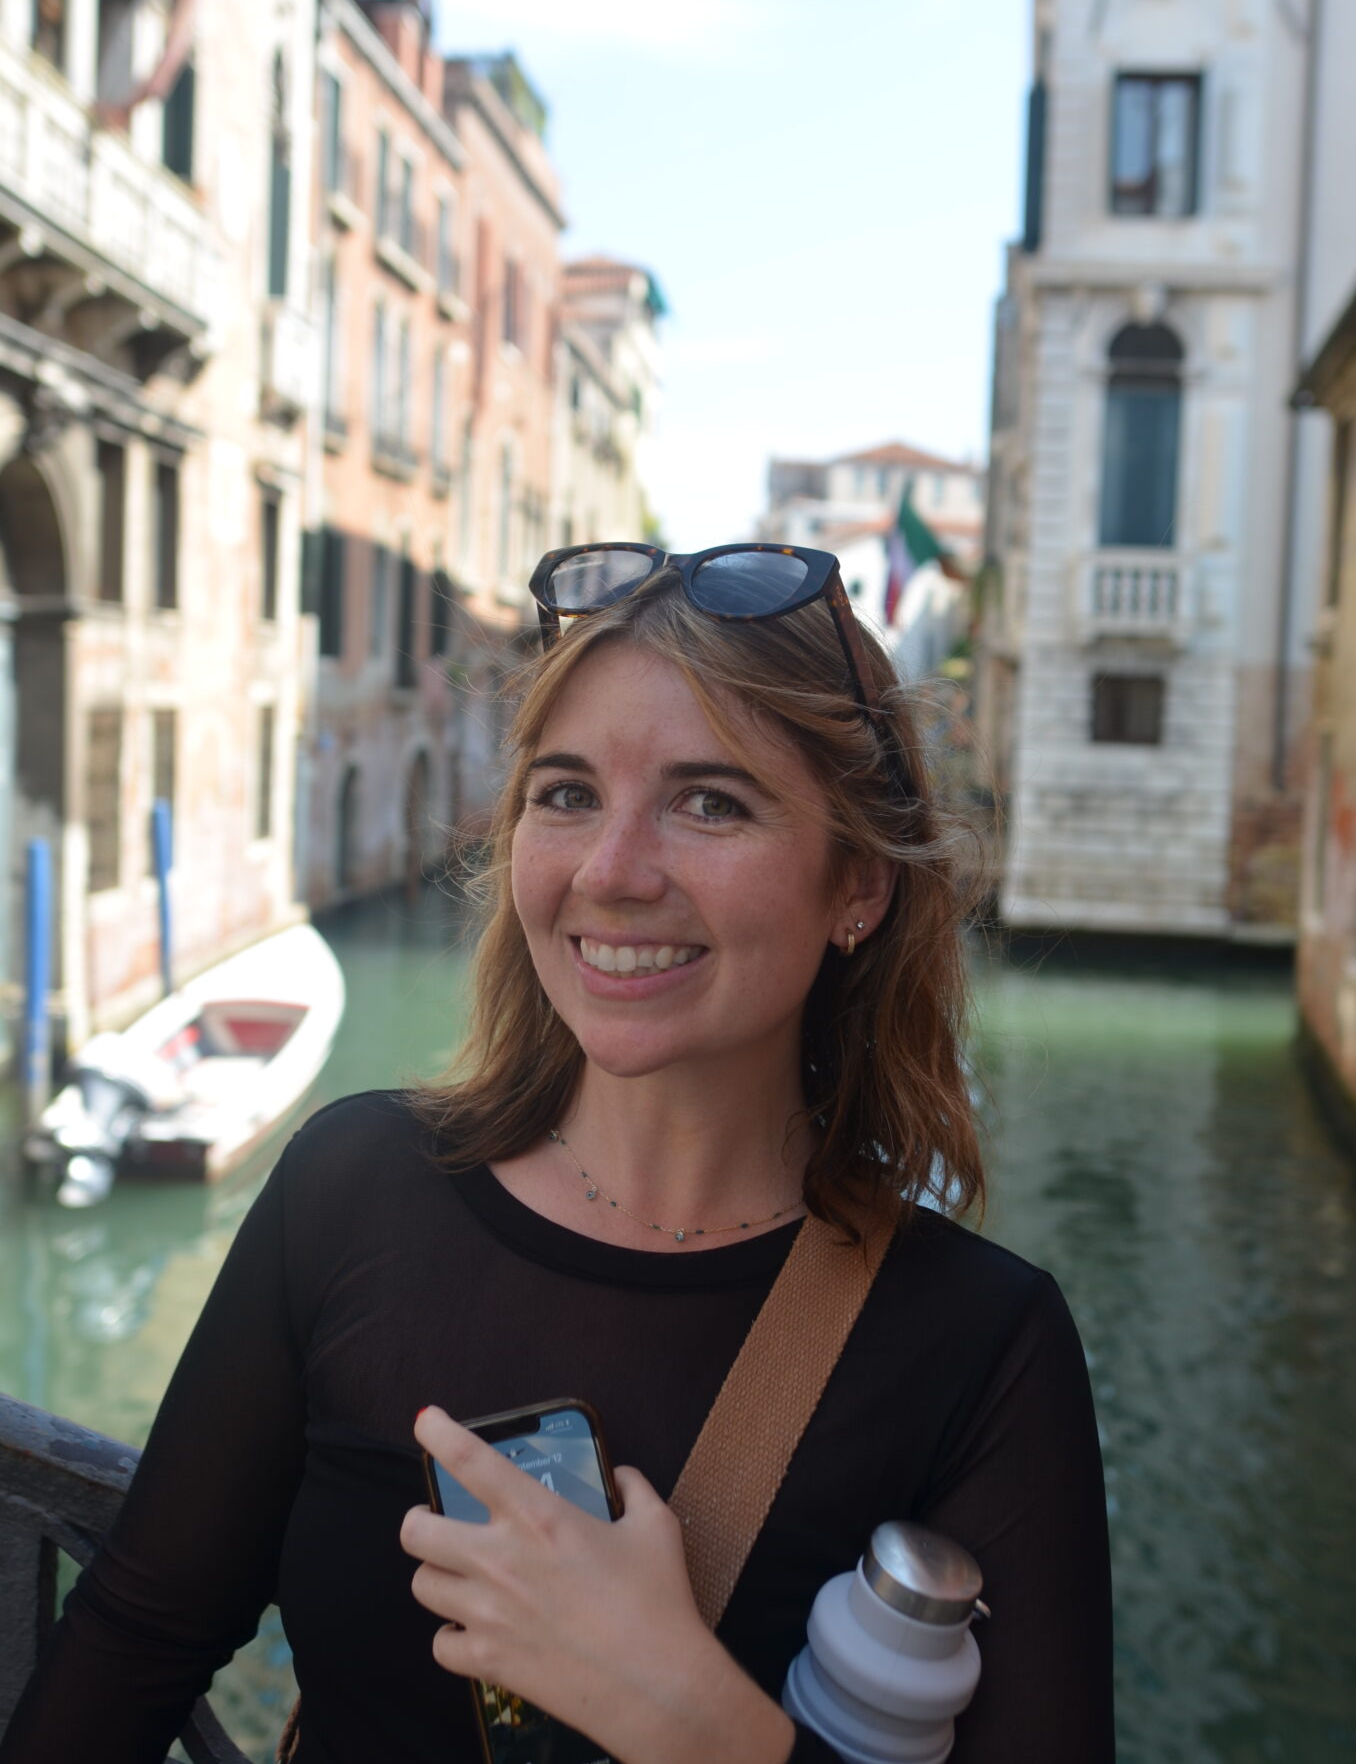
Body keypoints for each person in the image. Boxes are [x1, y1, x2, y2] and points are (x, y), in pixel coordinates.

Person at [0, 544, 1115, 1764]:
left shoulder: (981, 1345)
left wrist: (686, 1712)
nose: (610, 872)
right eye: (568, 792)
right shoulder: (350, 1185)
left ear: (857, 883)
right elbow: (138, 1638)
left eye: (711, 801)